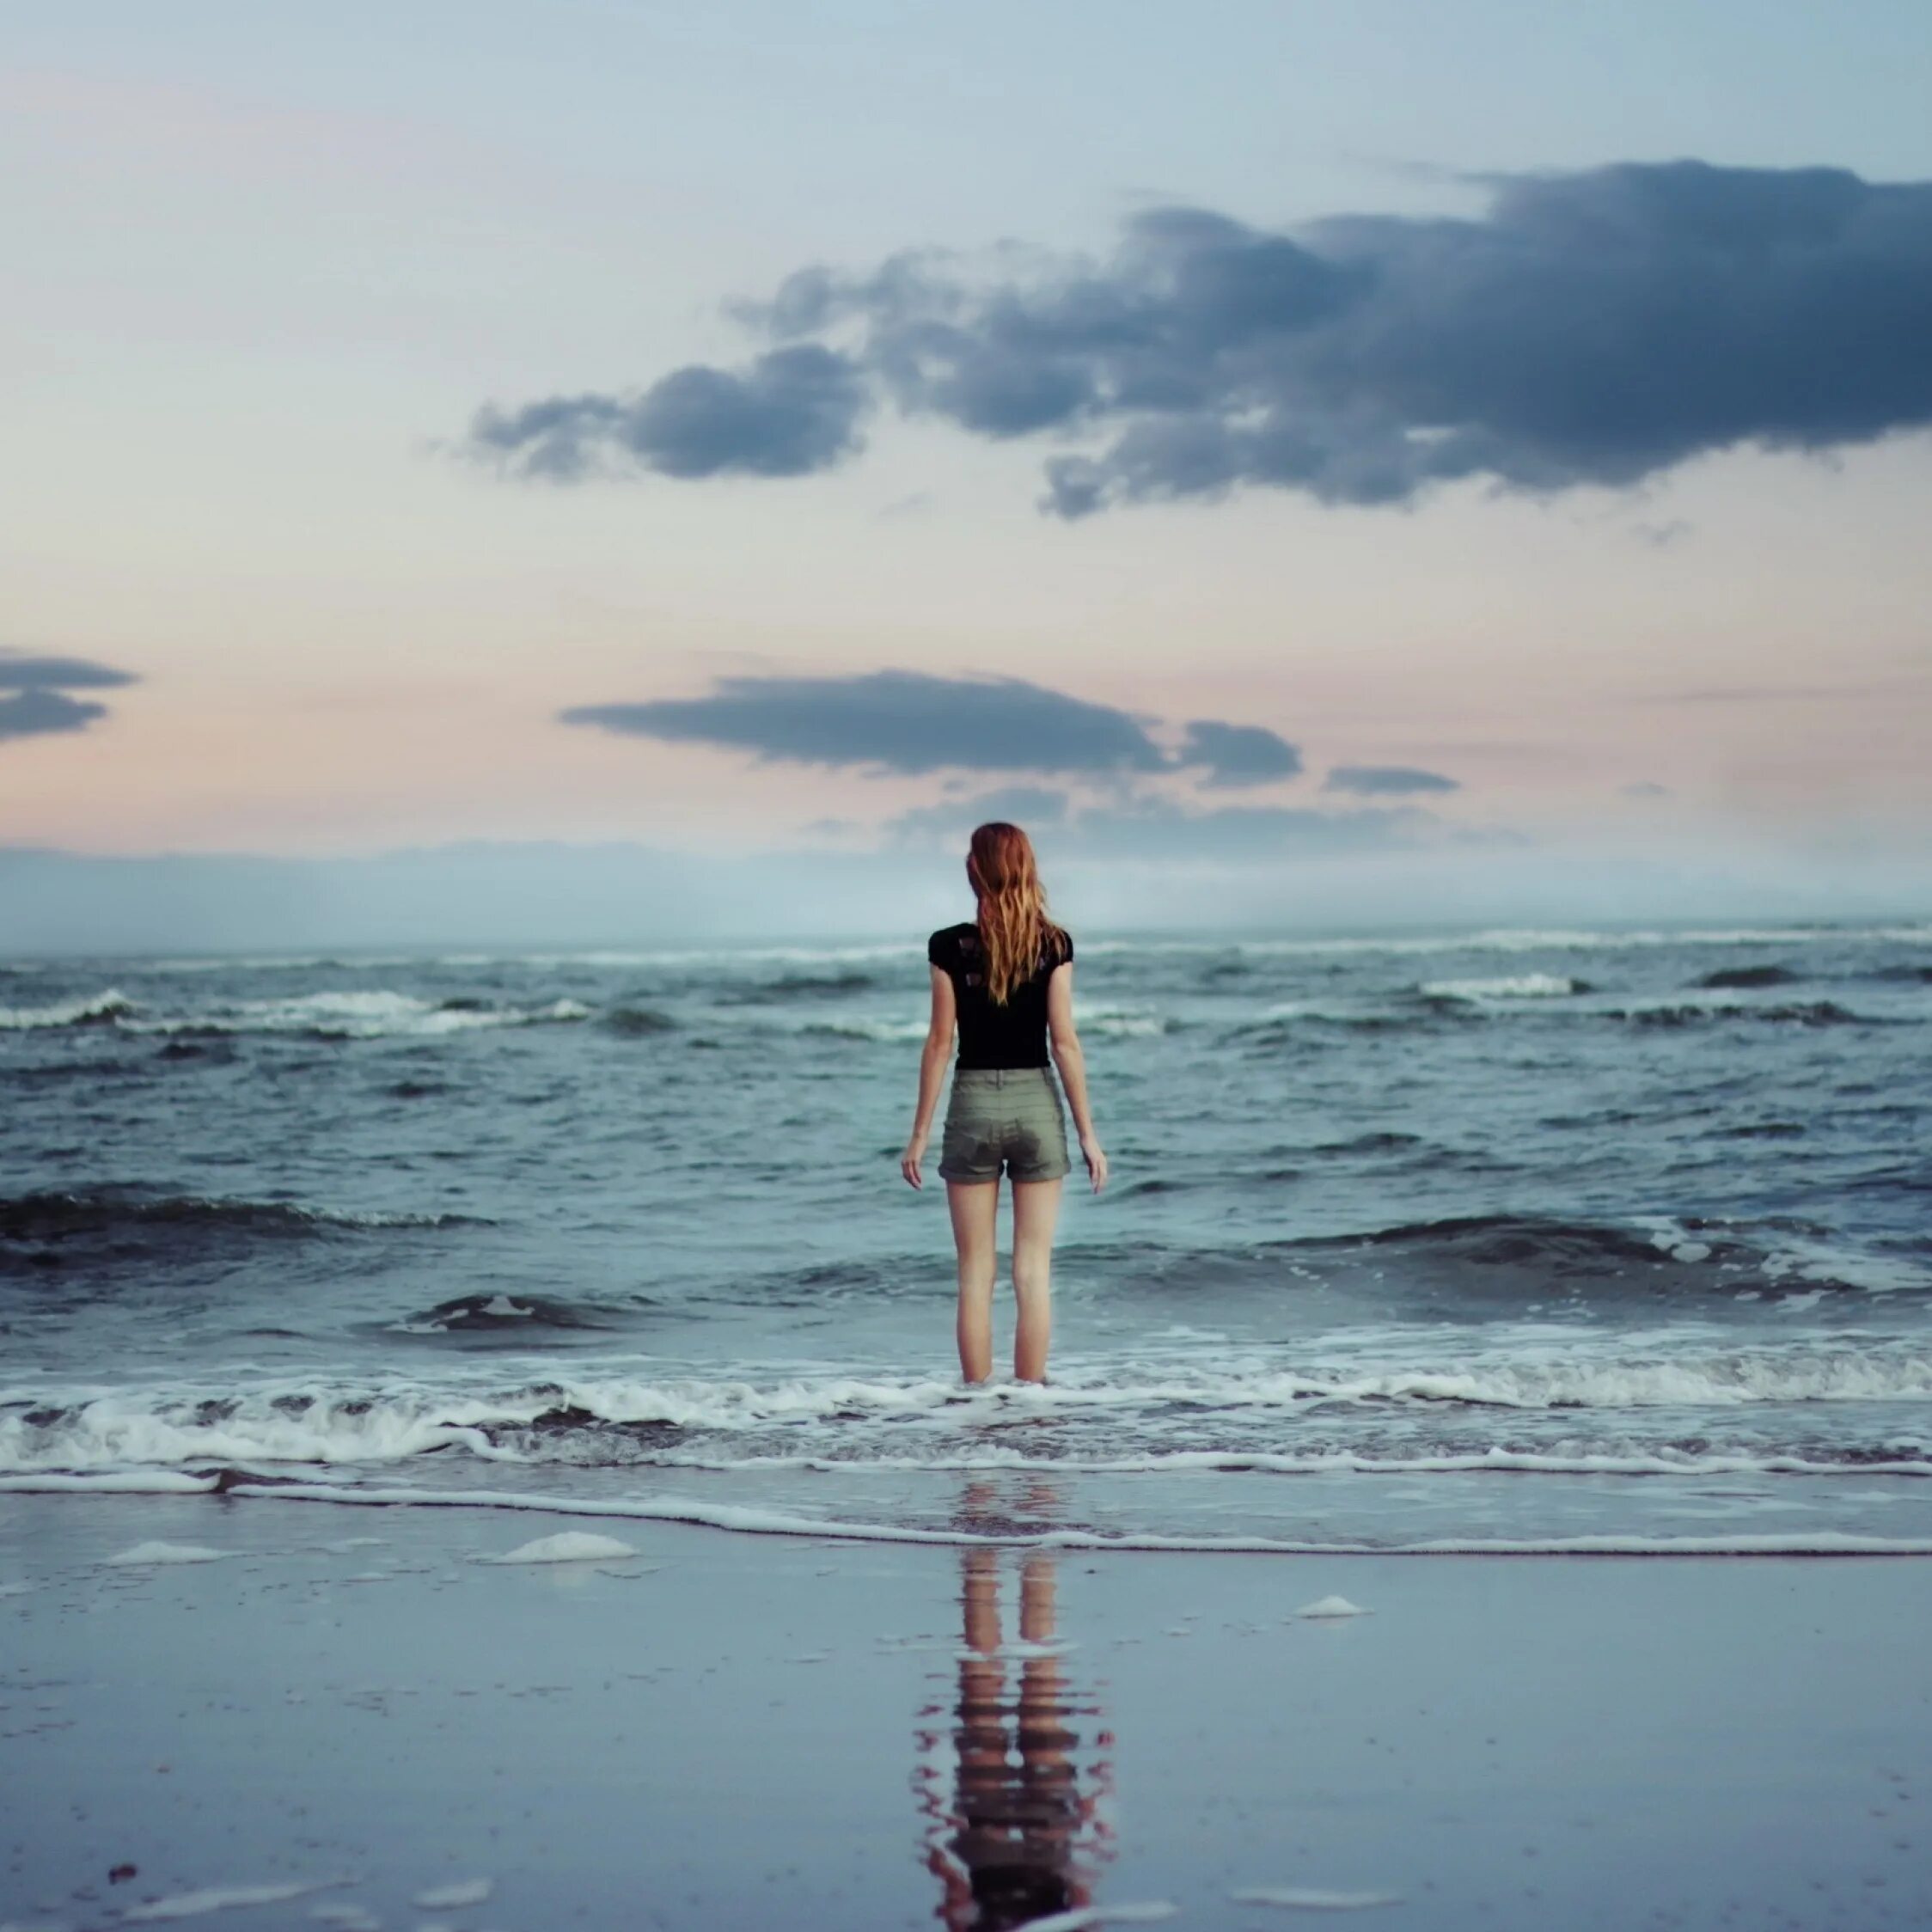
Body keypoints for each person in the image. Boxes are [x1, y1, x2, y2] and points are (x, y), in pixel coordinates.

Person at [899, 822, 1107, 1385]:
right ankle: (1031, 1401)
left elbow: (940, 1043)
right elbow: (1064, 1041)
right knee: (1033, 1272)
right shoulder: (1054, 943)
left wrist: (919, 1133)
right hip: (1036, 1103)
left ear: (975, 872)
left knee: (974, 1273)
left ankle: (977, 1406)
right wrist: (1088, 1133)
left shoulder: (948, 946)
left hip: (971, 1105)